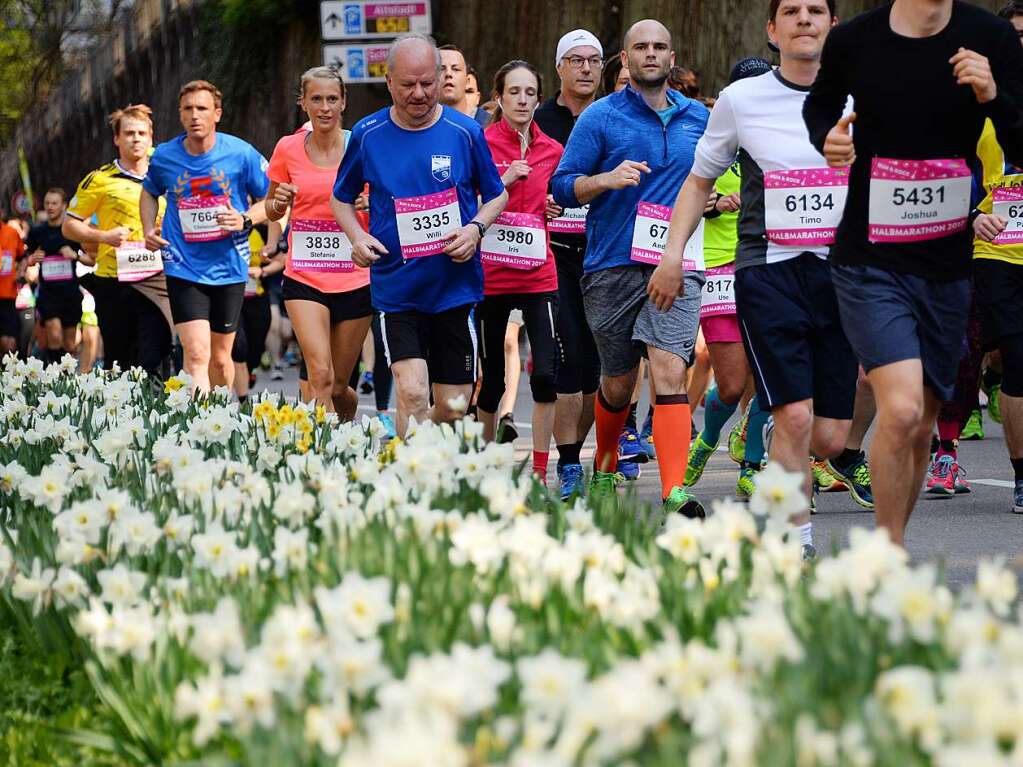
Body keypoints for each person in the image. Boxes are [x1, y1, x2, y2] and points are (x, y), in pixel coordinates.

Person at [803, 0, 1023, 544]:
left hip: (947, 265)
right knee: (899, 409)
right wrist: (826, 138)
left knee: (921, 422)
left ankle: (892, 543)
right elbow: (820, 109)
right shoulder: (855, 39)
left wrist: (993, 96)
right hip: (870, 256)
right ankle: (886, 553)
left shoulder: (989, 36)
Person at [651, 1, 864, 553]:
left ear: (832, 26)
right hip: (769, 272)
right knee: (795, 413)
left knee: (831, 435)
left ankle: (780, 438)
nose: (804, 18)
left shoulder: (861, 94)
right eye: (790, 10)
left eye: (816, 9)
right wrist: (673, 254)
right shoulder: (742, 101)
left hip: (843, 275)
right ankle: (797, 539)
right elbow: (700, 181)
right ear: (773, 30)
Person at [552, 19, 709, 517]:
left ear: (671, 56)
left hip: (677, 262)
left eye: (660, 46)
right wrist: (604, 180)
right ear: (625, 58)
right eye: (640, 46)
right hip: (612, 264)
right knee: (618, 382)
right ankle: (604, 462)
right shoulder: (600, 117)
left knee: (669, 370)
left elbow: (731, 169)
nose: (650, 54)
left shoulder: (698, 119)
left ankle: (672, 491)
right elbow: (561, 186)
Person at [332, 33, 508, 437]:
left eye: (428, 83)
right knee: (412, 395)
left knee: (452, 405)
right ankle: (412, 488)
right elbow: (340, 199)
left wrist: (475, 228)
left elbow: (497, 196)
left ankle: (437, 471)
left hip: (454, 288)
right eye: (408, 84)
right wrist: (357, 238)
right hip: (398, 290)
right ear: (389, 81)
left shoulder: (465, 132)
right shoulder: (368, 133)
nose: (419, 93)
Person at [141, 80, 270, 394]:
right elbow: (148, 192)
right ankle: (199, 427)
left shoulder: (242, 154)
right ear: (180, 115)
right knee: (196, 353)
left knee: (221, 359)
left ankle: (219, 418)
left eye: (202, 108)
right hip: (183, 264)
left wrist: (243, 219)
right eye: (188, 109)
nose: (194, 115)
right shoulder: (164, 157)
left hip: (229, 266)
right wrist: (147, 228)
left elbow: (272, 201)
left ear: (217, 114)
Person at [684, 56, 774, 500]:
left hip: (768, 266)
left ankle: (753, 462)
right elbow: (683, 198)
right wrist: (715, 202)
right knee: (734, 382)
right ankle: (706, 439)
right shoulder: (711, 142)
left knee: (770, 377)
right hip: (719, 270)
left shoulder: (782, 144)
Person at [267, 66, 372, 419]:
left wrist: (370, 204)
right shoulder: (287, 148)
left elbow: (388, 204)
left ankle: (347, 430)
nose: (324, 107)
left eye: (331, 99)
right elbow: (270, 208)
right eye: (316, 99)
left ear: (343, 102)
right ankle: (322, 458)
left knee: (340, 387)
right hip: (305, 277)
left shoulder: (362, 145)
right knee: (321, 376)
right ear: (304, 104)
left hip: (354, 277)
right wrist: (279, 202)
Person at [478, 60, 564, 482]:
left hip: (538, 274)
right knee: (492, 380)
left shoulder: (552, 149)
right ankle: (487, 468)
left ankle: (540, 471)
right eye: (514, 92)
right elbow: (466, 203)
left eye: (530, 93)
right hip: (492, 277)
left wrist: (555, 205)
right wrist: (505, 179)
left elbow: (561, 198)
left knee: (546, 375)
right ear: (499, 97)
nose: (523, 100)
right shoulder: (482, 143)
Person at [535, 28, 604, 500]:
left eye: (593, 60)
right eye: (575, 60)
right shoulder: (539, 119)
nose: (585, 68)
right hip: (554, 255)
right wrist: (540, 200)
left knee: (600, 370)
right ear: (559, 67)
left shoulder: (613, 115)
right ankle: (567, 463)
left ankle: (582, 453)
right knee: (569, 361)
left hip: (605, 255)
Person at [64, 103, 174, 379]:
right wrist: (104, 236)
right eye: (128, 133)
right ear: (116, 139)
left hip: (158, 277)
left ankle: (157, 416)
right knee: (121, 360)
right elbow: (69, 225)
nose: (136, 138)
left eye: (141, 133)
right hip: (114, 280)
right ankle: (122, 417)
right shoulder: (100, 179)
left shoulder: (166, 176)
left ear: (151, 138)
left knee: (156, 354)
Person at [967, 0, 1023, 511]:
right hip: (998, 246)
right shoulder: (973, 103)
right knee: (1019, 358)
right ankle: (1022, 475)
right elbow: (946, 164)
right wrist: (969, 214)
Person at [25, 189, 83, 364]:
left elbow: (90, 259)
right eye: (47, 203)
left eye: (54, 203)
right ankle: (54, 376)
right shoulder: (37, 232)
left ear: (64, 206)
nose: (50, 207)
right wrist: (32, 259)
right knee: (54, 334)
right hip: (48, 293)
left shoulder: (72, 231)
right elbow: (25, 261)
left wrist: (74, 255)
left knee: (69, 344)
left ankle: (67, 381)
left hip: (70, 293)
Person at [438, 45, 490, 125]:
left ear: (467, 81)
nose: (448, 74)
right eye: (441, 69)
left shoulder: (491, 125)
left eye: (456, 69)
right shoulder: (416, 124)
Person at [0, 202, 26, 357]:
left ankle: (7, 377)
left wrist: (20, 274)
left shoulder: (11, 232)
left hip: (7, 295)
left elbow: (22, 257)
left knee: (8, 342)